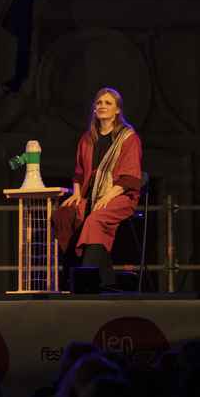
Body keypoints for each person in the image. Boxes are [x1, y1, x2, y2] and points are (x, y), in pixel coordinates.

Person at [51, 88, 142, 288]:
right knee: (64, 215)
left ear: (118, 110)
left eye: (108, 103)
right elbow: (79, 172)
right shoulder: (87, 138)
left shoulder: (128, 138)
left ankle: (86, 284)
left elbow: (129, 178)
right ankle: (73, 278)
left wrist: (107, 197)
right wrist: (76, 193)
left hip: (120, 195)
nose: (102, 106)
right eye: (99, 103)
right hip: (89, 195)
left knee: (94, 221)